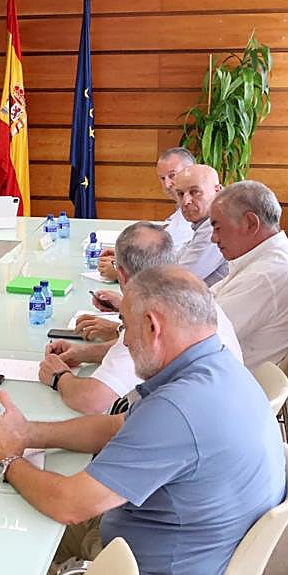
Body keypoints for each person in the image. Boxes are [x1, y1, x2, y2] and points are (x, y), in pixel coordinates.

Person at [0, 266, 285, 575]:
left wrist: (8, 461)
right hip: (171, 557)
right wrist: (29, 434)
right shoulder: (213, 367)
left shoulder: (182, 408)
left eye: (125, 328)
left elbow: (69, 504)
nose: (123, 341)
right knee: (2, 531)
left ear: (152, 325)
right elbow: (119, 427)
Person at [41, 222, 241, 415]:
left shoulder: (147, 319)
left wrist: (59, 377)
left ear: (121, 274)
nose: (126, 339)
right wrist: (82, 354)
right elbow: (129, 357)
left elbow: (92, 400)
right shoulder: (191, 293)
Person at [210, 180, 288, 368]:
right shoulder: (269, 258)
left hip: (233, 385)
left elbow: (202, 334)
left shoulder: (268, 274)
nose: (213, 238)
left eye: (217, 227)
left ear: (250, 223)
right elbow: (206, 298)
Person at [99, 147, 195, 281]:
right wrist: (126, 257)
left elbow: (176, 277)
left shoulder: (198, 217)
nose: (167, 184)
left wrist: (122, 274)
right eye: (162, 178)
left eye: (172, 175)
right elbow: (163, 257)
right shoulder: (181, 211)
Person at [171, 164, 228, 286]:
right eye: (180, 194)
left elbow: (178, 281)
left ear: (218, 192)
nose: (186, 201)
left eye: (194, 192)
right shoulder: (202, 226)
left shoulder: (215, 228)